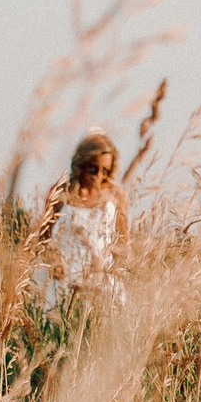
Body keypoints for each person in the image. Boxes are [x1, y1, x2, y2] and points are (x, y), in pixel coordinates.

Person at [30, 130, 128, 313]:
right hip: (62, 277)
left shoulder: (117, 195)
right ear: (81, 164)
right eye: (93, 169)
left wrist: (111, 266)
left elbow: (123, 240)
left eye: (105, 170)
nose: (98, 175)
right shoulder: (60, 192)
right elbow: (43, 237)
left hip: (100, 277)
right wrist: (55, 263)